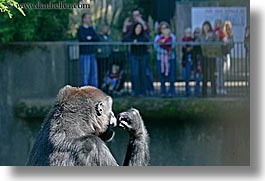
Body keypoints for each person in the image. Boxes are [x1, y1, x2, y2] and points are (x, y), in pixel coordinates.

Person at [122, 23, 149, 96]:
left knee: (142, 73)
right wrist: (133, 41)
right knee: (135, 73)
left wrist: (138, 42)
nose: (138, 29)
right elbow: (124, 39)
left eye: (140, 28)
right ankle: (135, 90)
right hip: (134, 56)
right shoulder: (131, 35)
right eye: (137, 28)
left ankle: (143, 91)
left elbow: (146, 40)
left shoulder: (143, 35)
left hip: (143, 56)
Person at [154, 21, 176, 97]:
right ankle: (163, 91)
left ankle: (171, 91)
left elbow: (173, 45)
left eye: (165, 28)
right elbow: (156, 47)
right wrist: (164, 51)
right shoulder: (158, 37)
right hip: (160, 58)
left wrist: (168, 50)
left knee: (171, 74)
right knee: (161, 74)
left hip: (170, 57)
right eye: (162, 28)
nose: (164, 29)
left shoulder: (172, 36)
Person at [77, 13, 100, 87]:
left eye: (90, 17)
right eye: (88, 18)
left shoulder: (91, 29)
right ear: (84, 19)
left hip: (92, 53)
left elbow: (96, 38)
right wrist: (89, 38)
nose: (90, 19)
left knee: (94, 73)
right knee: (85, 73)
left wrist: (90, 38)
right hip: (84, 54)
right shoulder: (80, 29)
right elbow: (83, 39)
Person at [216, 20, 234, 95]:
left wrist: (228, 42)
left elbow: (232, 44)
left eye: (228, 27)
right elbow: (217, 43)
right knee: (220, 72)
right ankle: (219, 87)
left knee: (225, 72)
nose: (227, 29)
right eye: (226, 27)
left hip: (227, 55)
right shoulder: (221, 34)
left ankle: (223, 87)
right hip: (220, 55)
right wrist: (222, 42)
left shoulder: (231, 35)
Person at [200, 21, 216, 96]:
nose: (206, 28)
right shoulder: (201, 35)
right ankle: (204, 92)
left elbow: (214, 43)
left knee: (212, 74)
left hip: (211, 56)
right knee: (204, 74)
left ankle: (213, 92)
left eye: (207, 26)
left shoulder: (212, 34)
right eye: (204, 26)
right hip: (204, 56)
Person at [96, 24, 112, 88]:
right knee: (101, 72)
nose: (106, 30)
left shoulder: (108, 37)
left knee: (106, 72)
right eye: (104, 28)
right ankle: (100, 86)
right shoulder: (99, 37)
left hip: (108, 56)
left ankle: (106, 86)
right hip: (101, 57)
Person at [181, 28, 193, 96]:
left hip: (190, 59)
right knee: (184, 75)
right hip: (184, 59)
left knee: (188, 75)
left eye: (189, 33)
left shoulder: (192, 40)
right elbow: (183, 49)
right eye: (186, 33)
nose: (187, 34)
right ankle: (186, 89)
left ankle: (188, 91)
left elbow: (191, 49)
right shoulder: (183, 40)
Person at [193, 27, 203, 96]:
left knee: (200, 76)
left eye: (198, 32)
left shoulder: (202, 41)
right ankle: (196, 91)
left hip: (201, 60)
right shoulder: (192, 40)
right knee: (196, 76)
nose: (197, 34)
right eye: (195, 32)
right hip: (195, 60)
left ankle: (202, 91)